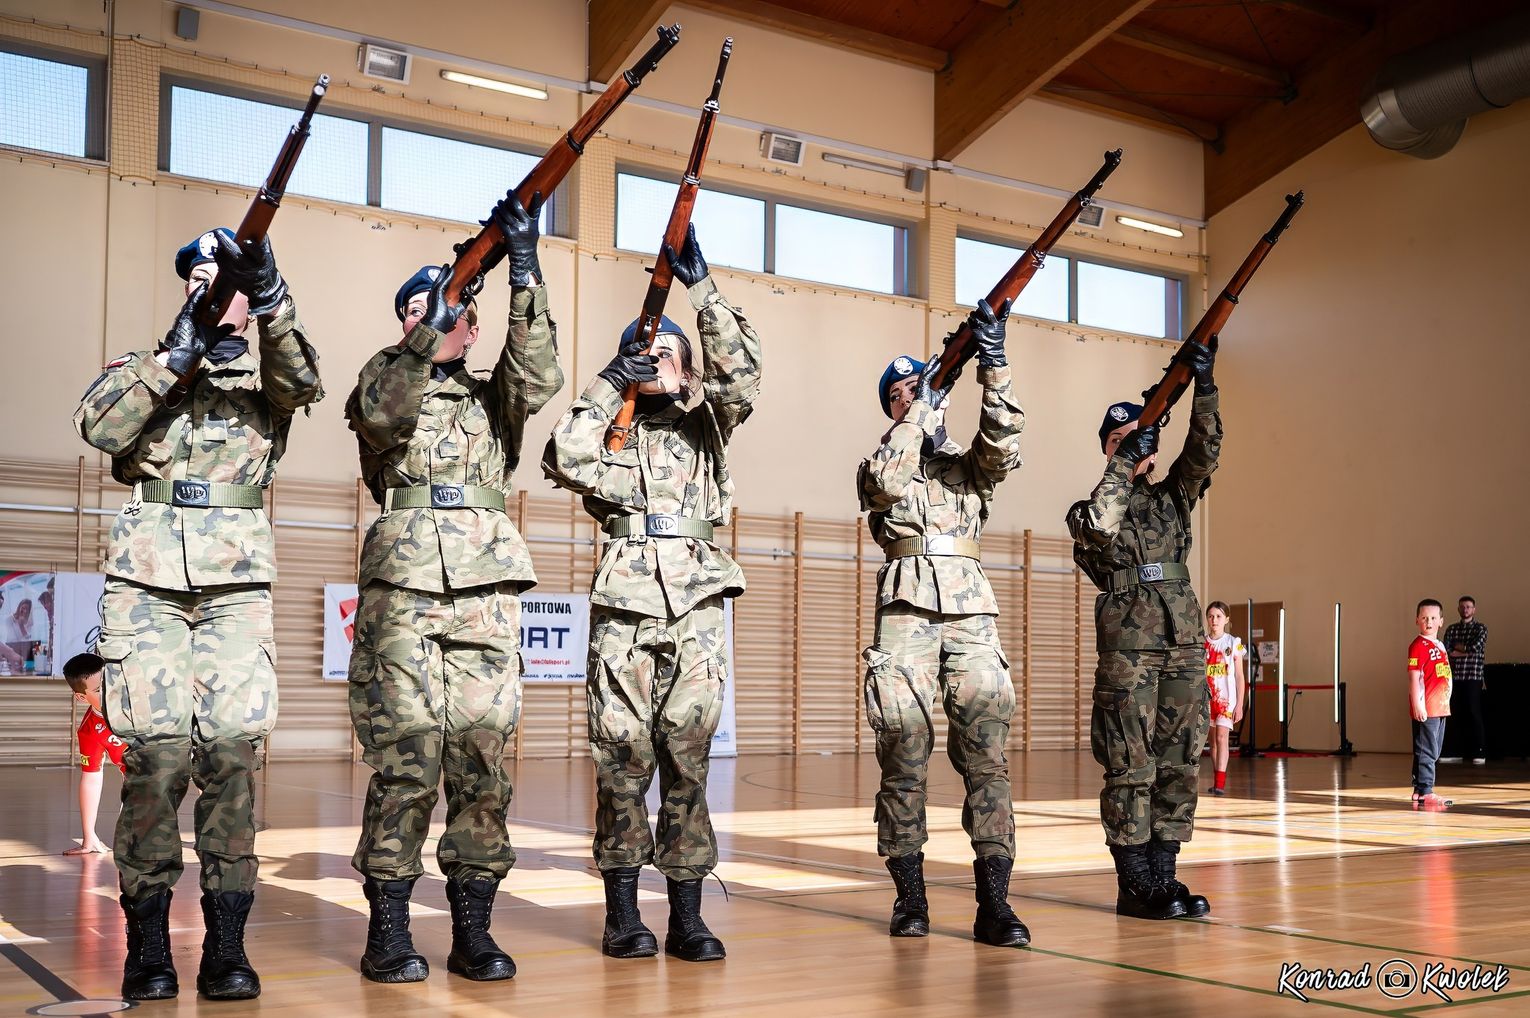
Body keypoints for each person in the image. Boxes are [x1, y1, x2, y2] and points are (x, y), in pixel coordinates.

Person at [73, 227, 323, 1000]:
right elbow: (99, 427)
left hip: (234, 590)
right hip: (146, 584)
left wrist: (274, 300)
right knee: (153, 762)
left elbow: (303, 382)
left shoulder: (266, 376)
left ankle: (226, 948)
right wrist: (171, 356)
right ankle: (148, 946)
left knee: (233, 761)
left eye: (226, 282)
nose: (210, 291)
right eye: (198, 280)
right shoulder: (146, 368)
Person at [345, 189, 561, 984]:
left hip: (485, 594)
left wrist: (524, 267)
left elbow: (540, 374)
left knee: (482, 762)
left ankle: (473, 929)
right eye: (419, 311)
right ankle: (389, 931)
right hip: (403, 591)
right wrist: (424, 330)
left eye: (450, 311)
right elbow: (378, 415)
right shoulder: (384, 378)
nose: (437, 320)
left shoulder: (493, 401)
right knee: (407, 759)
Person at [542, 224, 760, 963]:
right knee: (622, 762)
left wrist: (704, 290)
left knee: (688, 764)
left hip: (696, 608)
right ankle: (623, 914)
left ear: (689, 369)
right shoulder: (614, 436)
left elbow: (741, 376)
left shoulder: (709, 426)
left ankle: (687, 917)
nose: (659, 361)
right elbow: (563, 455)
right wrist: (610, 381)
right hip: (626, 610)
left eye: (671, 353)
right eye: (647, 353)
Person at [856, 299, 1030, 948]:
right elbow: (884, 483)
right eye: (899, 394)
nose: (911, 397)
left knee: (987, 758)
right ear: (892, 408)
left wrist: (994, 365)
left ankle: (995, 906)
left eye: (919, 387)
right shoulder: (882, 459)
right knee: (903, 755)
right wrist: (919, 414)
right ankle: (911, 900)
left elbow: (1004, 448)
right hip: (905, 615)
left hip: (971, 616)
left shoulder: (967, 465)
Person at [1066, 338, 1220, 921]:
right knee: (1130, 764)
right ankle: (1133, 884)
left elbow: (1204, 452)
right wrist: (1123, 464)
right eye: (1117, 440)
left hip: (1182, 643)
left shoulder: (1173, 499)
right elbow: (1099, 529)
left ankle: (1163, 877)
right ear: (1107, 450)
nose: (1129, 446)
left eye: (1137, 437)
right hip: (1130, 652)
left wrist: (1204, 388)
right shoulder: (1089, 510)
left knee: (1181, 759)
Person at [63, 653, 125, 855]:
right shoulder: (90, 730)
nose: (109, 692)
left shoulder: (139, 704)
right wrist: (88, 836)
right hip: (143, 786)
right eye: (99, 690)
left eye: (110, 682)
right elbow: (91, 779)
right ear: (82, 697)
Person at [1408, 599, 1453, 808]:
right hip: (1427, 706)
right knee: (1427, 749)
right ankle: (1426, 790)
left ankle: (1419, 789)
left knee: (1432, 749)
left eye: (1433, 618)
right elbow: (1414, 677)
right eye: (1424, 618)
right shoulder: (1417, 646)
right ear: (1417, 620)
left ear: (1441, 621)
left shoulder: (1440, 645)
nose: (1429, 622)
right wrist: (1418, 705)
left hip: (1441, 705)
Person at [1203, 601, 1246, 796]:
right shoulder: (1202, 644)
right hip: (1207, 699)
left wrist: (1239, 704)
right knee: (1212, 742)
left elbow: (1239, 676)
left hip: (1226, 700)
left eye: (1219, 616)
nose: (1214, 620)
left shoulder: (1234, 643)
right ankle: (1216, 779)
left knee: (1222, 737)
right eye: (1211, 616)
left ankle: (1220, 783)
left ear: (1226, 619)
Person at [1441, 596, 1487, 765]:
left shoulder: (1480, 628)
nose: (1465, 609)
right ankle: (1454, 751)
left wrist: (1458, 649)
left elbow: (1475, 648)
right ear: (1458, 609)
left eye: (1468, 607)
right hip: (1455, 677)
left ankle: (1479, 752)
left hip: (1473, 677)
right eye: (1462, 607)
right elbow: (1446, 650)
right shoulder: (1451, 629)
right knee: (1454, 714)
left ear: (1474, 609)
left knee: (1474, 713)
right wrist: (1465, 651)